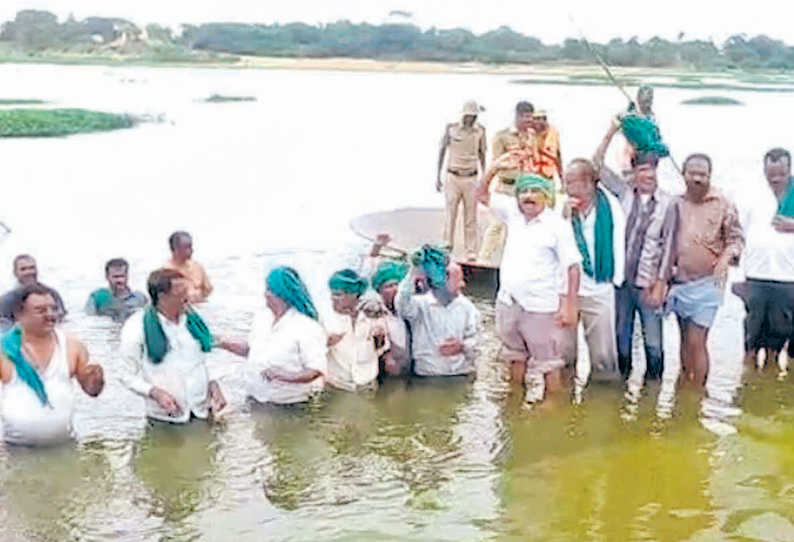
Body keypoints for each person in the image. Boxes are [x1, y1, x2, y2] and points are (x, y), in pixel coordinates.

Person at [476, 158, 580, 405]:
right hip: (509, 302)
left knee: (549, 365)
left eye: (535, 191)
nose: (529, 196)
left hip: (541, 307)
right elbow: (481, 194)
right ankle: (514, 409)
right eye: (524, 192)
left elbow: (573, 267)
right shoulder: (513, 214)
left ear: (545, 196)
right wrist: (494, 168)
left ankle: (551, 417)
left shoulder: (558, 225)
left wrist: (569, 306)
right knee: (513, 357)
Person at [647, 154, 745, 387]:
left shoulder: (723, 203)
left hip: (707, 283)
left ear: (710, 175)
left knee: (697, 341)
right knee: (683, 340)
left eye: (703, 174)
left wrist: (725, 258)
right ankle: (683, 386)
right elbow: (663, 241)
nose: (698, 179)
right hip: (679, 283)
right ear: (684, 174)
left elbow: (737, 239)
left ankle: (698, 394)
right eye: (693, 174)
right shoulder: (675, 203)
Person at [594, 121, 674, 381]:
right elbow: (596, 166)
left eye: (651, 171)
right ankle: (622, 403)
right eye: (642, 171)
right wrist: (611, 131)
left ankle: (653, 399)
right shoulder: (623, 192)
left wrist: (661, 284)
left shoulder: (668, 204)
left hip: (648, 284)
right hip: (621, 283)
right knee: (621, 343)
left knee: (654, 345)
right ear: (634, 172)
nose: (647, 176)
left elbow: (669, 248)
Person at [0, 284, 104, 445]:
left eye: (53, 309)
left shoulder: (72, 345)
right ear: (19, 314)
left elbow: (92, 391)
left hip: (65, 447)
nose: (50, 315)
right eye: (40, 310)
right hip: (16, 450)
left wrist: (97, 379)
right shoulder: (4, 349)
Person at [120, 268, 226, 423]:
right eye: (181, 291)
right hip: (164, 416)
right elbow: (126, 375)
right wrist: (155, 393)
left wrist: (213, 384)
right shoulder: (136, 326)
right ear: (163, 296)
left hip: (201, 411)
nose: (187, 295)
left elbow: (205, 358)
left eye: (187, 289)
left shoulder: (194, 321)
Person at [217, 266, 327, 405]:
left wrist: (286, 375)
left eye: (269, 290)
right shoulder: (262, 318)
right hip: (256, 398)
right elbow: (252, 350)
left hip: (290, 404)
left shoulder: (307, 327)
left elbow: (316, 370)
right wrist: (222, 343)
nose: (265, 294)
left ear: (281, 295)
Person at [563, 158, 626, 388]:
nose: (568, 188)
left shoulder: (610, 205)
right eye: (566, 182)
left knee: (603, 360)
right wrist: (564, 216)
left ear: (590, 183)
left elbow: (618, 243)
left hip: (600, 287)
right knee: (563, 356)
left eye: (573, 182)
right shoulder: (562, 208)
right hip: (566, 291)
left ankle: (602, 410)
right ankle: (566, 411)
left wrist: (614, 281)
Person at [734, 148, 794, 372]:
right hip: (756, 277)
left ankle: (771, 382)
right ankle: (749, 384)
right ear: (764, 170)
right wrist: (736, 272)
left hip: (788, 279)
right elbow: (737, 233)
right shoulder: (752, 195)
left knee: (779, 339)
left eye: (781, 172)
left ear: (789, 169)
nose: (776, 177)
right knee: (751, 339)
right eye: (771, 172)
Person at [396, 245, 480, 377]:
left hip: (461, 373)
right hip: (427, 374)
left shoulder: (468, 308)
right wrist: (414, 271)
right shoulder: (420, 305)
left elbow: (478, 342)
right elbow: (401, 303)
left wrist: (462, 346)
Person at [478, 101, 536, 264]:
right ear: (517, 116)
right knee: (496, 224)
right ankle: (484, 259)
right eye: (526, 117)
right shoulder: (502, 136)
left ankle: (511, 260)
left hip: (522, 188)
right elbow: (495, 163)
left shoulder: (531, 136)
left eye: (531, 117)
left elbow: (532, 157)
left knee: (518, 226)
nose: (529, 121)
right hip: (504, 186)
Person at [437, 100, 487, 261]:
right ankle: (446, 247)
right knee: (450, 214)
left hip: (471, 177)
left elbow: (482, 154)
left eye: (473, 116)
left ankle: (471, 251)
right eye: (468, 116)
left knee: (470, 216)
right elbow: (442, 151)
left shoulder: (480, 131)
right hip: (453, 176)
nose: (471, 119)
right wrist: (437, 177)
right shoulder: (451, 129)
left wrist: (484, 180)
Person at [323, 269, 387, 392]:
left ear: (353, 295)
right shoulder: (325, 318)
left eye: (338, 294)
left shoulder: (372, 316)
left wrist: (380, 339)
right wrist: (326, 342)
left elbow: (381, 349)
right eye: (332, 294)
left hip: (367, 384)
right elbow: (313, 352)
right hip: (337, 386)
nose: (333, 298)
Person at [368, 260, 411, 376]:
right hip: (388, 375)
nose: (395, 289)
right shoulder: (375, 313)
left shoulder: (407, 310)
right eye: (389, 286)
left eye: (397, 285)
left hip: (411, 371)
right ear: (379, 290)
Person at [0, 254, 67, 329]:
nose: (28, 272)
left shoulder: (52, 294)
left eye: (32, 268)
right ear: (15, 273)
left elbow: (62, 319)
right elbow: (4, 327)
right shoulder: (7, 300)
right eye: (23, 269)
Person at [85, 258, 147, 322]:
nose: (120, 280)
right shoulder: (96, 298)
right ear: (107, 277)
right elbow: (89, 321)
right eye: (115, 277)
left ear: (127, 276)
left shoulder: (140, 298)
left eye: (122, 276)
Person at [163, 231, 213, 303]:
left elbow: (208, 289)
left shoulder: (196, 266)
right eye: (187, 247)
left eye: (191, 247)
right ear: (176, 249)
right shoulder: (166, 271)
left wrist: (200, 296)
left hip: (200, 305)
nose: (192, 250)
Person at [530, 110, 564, 185]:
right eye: (537, 118)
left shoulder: (553, 133)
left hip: (548, 176)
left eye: (543, 118)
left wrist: (561, 179)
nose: (540, 121)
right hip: (531, 176)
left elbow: (558, 156)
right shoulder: (528, 134)